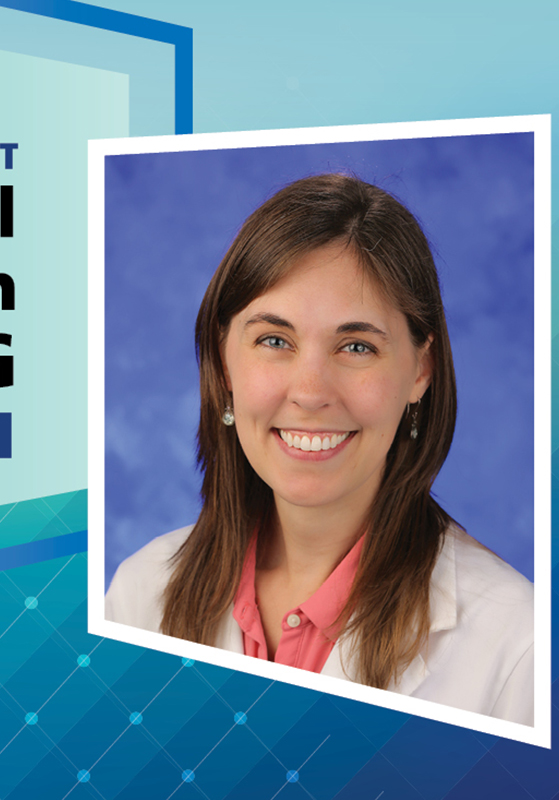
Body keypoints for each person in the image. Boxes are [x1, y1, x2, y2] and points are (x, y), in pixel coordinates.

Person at [104, 174, 533, 725]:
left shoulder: (517, 644)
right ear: (225, 359)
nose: (309, 392)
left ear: (420, 370)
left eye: (356, 346)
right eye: (274, 341)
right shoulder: (140, 596)